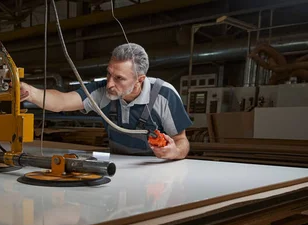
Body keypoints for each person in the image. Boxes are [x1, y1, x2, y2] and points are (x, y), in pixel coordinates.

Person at [20, 43, 192, 160]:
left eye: (119, 78)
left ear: (140, 80)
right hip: (118, 165)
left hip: (155, 172)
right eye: (109, 73)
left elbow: (181, 140)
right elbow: (62, 101)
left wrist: (175, 152)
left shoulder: (164, 95)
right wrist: (32, 93)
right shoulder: (102, 91)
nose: (109, 83)